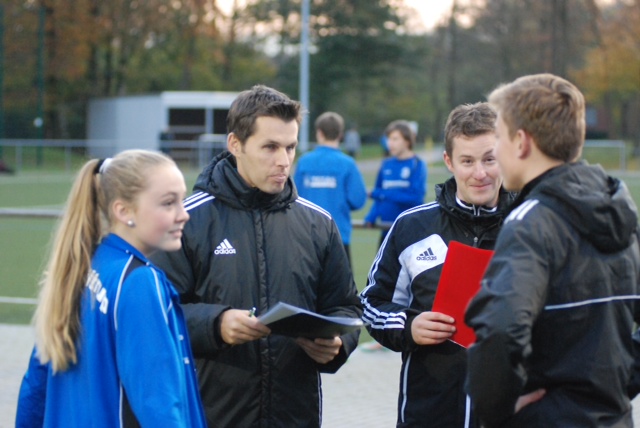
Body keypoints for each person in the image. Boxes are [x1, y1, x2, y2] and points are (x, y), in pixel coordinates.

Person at [150, 85, 362, 427]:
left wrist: (338, 345)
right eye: (270, 147)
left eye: (291, 147)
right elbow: (155, 314)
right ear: (235, 144)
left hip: (295, 414)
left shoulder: (318, 224)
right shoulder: (187, 222)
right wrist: (215, 324)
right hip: (214, 414)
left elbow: (345, 306)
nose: (284, 160)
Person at [465, 73, 640, 427]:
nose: (496, 150)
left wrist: (496, 412)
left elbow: (500, 330)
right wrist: (618, 385)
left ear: (521, 143)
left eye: (498, 137)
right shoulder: (619, 207)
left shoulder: (531, 222)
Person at [15, 150, 206, 427]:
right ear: (123, 211)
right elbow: (159, 404)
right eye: (168, 203)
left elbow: (35, 385)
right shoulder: (139, 282)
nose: (184, 214)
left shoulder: (84, 263)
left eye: (182, 200)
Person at [359, 103, 514, 427]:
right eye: (467, 161)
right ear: (449, 161)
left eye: (490, 159)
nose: (480, 173)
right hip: (428, 409)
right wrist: (408, 327)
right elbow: (372, 304)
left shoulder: (530, 226)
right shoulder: (412, 227)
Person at [294, 112, 367, 267]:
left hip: (306, 236)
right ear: (340, 135)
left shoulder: (304, 161)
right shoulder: (348, 163)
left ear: (319, 132)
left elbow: (293, 197)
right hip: (338, 236)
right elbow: (358, 200)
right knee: (340, 290)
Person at [364, 119, 427, 246]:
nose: (390, 143)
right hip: (386, 232)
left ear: (407, 141)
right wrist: (371, 215)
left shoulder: (417, 165)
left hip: (409, 232)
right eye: (388, 139)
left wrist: (385, 194)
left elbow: (416, 198)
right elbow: (378, 194)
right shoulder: (386, 164)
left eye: (395, 139)